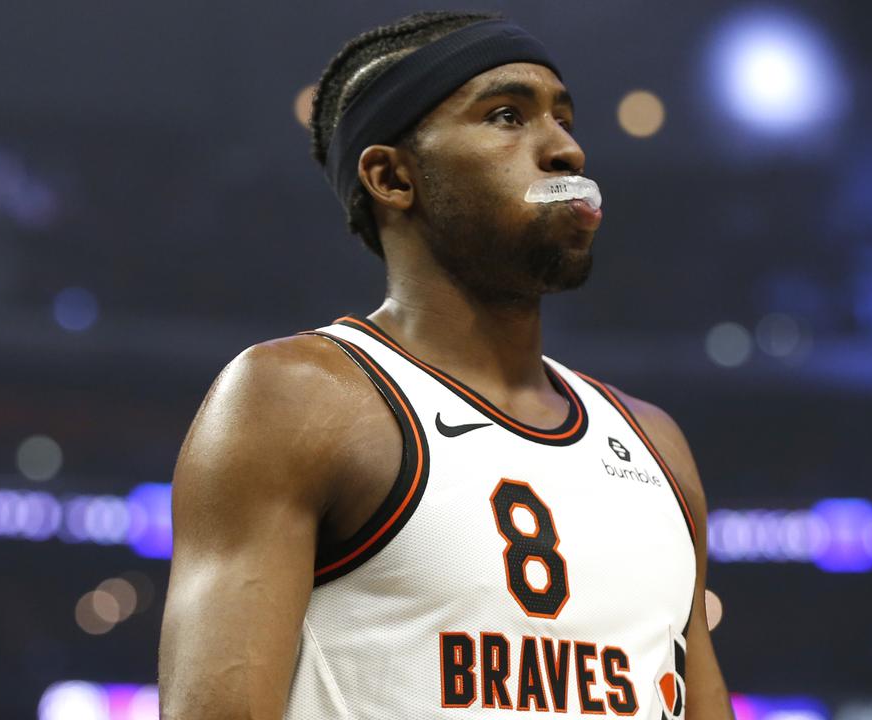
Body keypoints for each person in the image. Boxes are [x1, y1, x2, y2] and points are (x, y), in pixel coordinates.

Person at [159, 11, 733, 719]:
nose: (566, 153)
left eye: (565, 119)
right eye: (505, 116)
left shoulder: (655, 442)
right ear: (393, 177)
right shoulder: (300, 398)